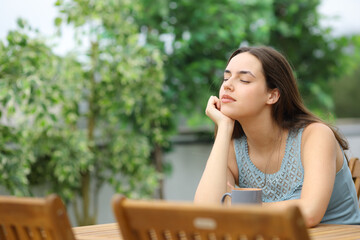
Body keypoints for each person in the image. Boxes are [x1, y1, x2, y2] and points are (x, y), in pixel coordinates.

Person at [194, 46, 360, 227]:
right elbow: (206, 213)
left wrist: (242, 207)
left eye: (244, 80)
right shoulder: (234, 145)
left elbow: (309, 213)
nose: (227, 85)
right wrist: (224, 127)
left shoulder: (315, 135)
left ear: (272, 95)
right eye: (226, 78)